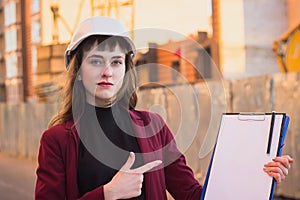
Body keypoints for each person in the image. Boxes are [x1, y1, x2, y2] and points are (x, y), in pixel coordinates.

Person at [35, 16, 293, 200]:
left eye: (116, 62)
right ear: (77, 71)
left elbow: (192, 195)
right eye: (95, 61)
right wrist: (107, 194)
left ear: (126, 70)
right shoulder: (57, 141)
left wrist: (255, 176)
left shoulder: (153, 127)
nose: (107, 72)